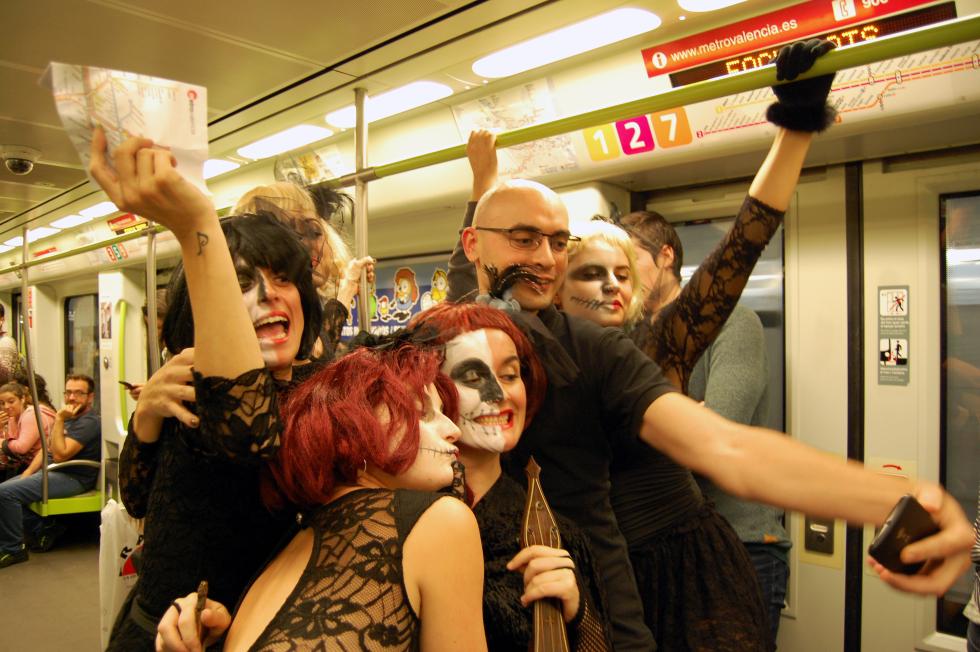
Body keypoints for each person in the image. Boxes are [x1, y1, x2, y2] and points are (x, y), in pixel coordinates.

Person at [447, 40, 975, 650]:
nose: (546, 258)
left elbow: (729, 445)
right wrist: (483, 182)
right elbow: (471, 283)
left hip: (661, 568)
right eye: (526, 241)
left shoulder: (608, 353)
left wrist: (898, 497)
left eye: (558, 244)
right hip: (555, 576)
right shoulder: (472, 336)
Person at [86, 129, 324, 650]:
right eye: (240, 284)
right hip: (166, 633)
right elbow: (139, 497)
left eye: (284, 278)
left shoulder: (324, 383)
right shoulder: (194, 386)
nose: (269, 295)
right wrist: (146, 417)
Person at [157, 345, 487, 652]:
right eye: (421, 413)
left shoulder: (295, 538)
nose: (453, 430)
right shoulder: (442, 523)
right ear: (354, 425)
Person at [621, 206, 790, 645]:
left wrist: (650, 432)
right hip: (664, 545)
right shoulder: (627, 339)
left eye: (631, 261)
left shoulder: (733, 324)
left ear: (665, 256)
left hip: (742, 541)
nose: (623, 278)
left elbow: (715, 433)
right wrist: (684, 416)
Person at [411, 301, 611, 650]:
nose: (500, 394)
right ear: (429, 392)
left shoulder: (555, 537)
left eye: (509, 375)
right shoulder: (397, 518)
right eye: (473, 377)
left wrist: (577, 617)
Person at [234, 181, 375, 361]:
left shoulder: (306, 318)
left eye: (314, 232)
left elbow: (323, 348)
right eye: (293, 234)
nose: (309, 244)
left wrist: (348, 286)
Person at [0, 374, 100, 567]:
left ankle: (14, 549)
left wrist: (60, 419)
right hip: (52, 470)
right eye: (68, 392)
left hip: (72, 476)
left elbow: (61, 455)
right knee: (7, 489)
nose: (72, 398)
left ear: (90, 397)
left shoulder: (88, 422)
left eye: (79, 393)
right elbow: (47, 450)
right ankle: (44, 527)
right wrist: (28, 473)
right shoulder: (70, 418)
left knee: (5, 493)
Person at [0, 382, 56, 479]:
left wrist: (2, 442)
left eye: (11, 401)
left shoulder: (31, 415)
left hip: (46, 465)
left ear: (22, 399)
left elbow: (22, 447)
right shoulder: (12, 418)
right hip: (27, 464)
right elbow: (11, 449)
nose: (6, 406)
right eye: (2, 403)